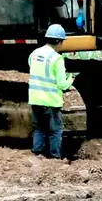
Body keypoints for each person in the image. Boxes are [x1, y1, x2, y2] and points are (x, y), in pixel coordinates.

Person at [28, 24, 75, 159]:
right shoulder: (57, 59)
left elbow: (33, 67)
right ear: (59, 41)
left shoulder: (34, 53)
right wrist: (71, 78)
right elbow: (61, 84)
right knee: (55, 131)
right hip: (50, 101)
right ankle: (55, 157)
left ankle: (36, 154)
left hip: (35, 99)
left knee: (39, 129)